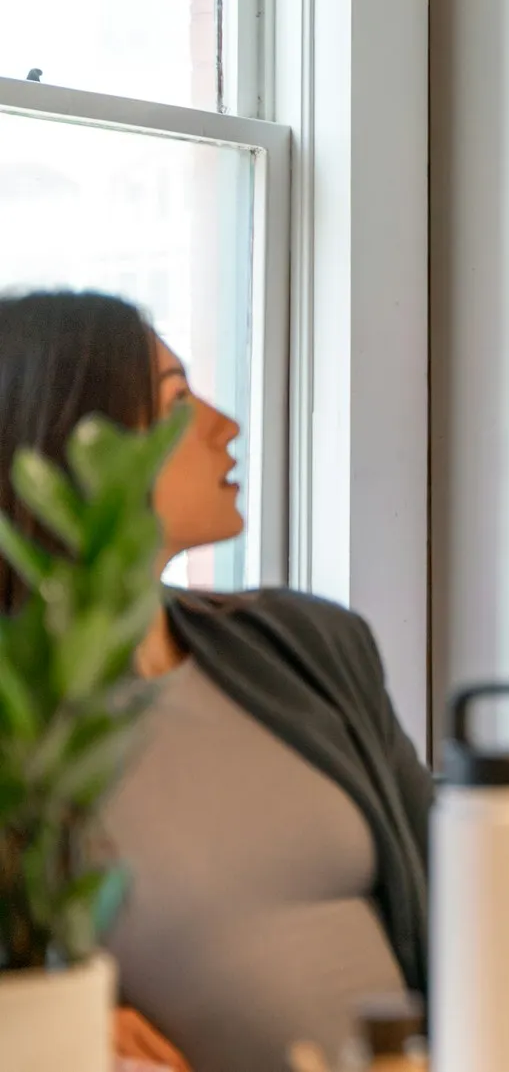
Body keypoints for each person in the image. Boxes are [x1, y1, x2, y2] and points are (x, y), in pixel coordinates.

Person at [0, 291, 433, 1072]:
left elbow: (458, 895)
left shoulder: (310, 644)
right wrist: (33, 1020)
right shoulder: (21, 722)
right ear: (64, 445)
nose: (222, 425)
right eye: (175, 403)